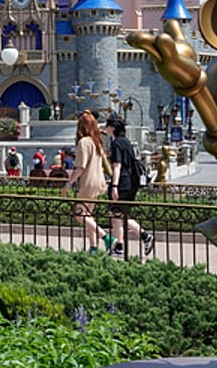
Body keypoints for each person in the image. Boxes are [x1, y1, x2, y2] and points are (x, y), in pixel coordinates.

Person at [103, 116, 154, 259]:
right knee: (120, 215)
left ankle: (120, 247)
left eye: (107, 126)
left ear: (112, 127)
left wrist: (114, 185)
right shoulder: (126, 141)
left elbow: (117, 165)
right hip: (132, 183)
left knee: (116, 215)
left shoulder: (117, 143)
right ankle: (144, 237)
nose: (105, 128)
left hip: (122, 184)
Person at [64, 111, 107, 254]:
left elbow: (80, 167)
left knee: (79, 214)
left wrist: (69, 183)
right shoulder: (97, 142)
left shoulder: (83, 142)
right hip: (99, 181)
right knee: (88, 215)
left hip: (88, 181)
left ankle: (106, 237)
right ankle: (93, 247)